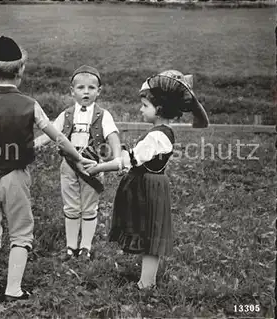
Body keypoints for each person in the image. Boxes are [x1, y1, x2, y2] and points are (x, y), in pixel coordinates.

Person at [0, 36, 96, 302]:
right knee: (21, 233)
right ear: (20, 70)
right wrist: (77, 157)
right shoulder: (30, 104)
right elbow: (57, 135)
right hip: (16, 179)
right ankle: (13, 289)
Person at [86, 70, 209, 289]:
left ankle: (147, 283)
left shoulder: (157, 136)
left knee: (151, 233)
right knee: (148, 232)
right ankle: (146, 280)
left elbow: (127, 161)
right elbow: (135, 158)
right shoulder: (160, 132)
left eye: (144, 105)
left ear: (159, 109)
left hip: (148, 188)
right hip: (149, 184)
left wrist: (98, 168)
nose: (141, 109)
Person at [34, 65, 122, 261]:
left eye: (91, 88)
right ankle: (70, 246)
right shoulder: (65, 114)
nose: (86, 92)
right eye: (81, 88)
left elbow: (113, 136)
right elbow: (50, 134)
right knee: (71, 206)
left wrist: (117, 158)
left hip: (93, 166)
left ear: (99, 91)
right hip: (69, 165)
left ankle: (85, 247)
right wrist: (32, 145)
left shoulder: (103, 115)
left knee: (90, 207)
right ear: (71, 91)